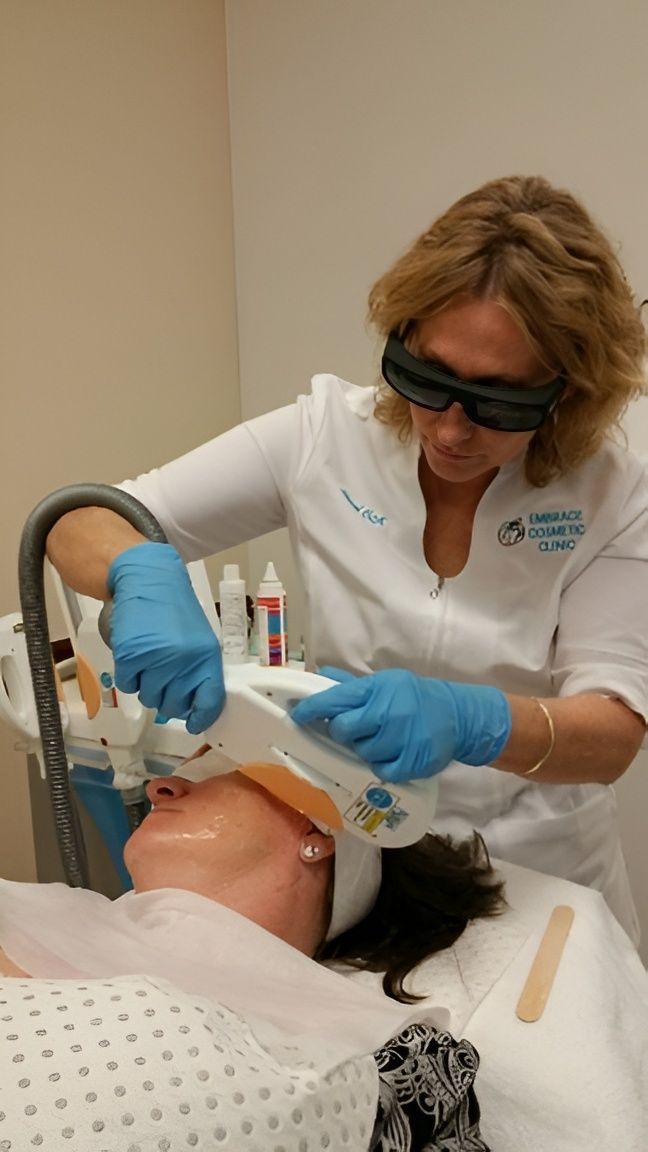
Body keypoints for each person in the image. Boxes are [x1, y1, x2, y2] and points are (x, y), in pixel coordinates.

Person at [46, 174, 648, 943]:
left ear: (569, 392)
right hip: (366, 858)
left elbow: (612, 734)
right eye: (425, 379)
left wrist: (478, 722)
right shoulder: (323, 439)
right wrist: (138, 572)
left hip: (542, 873)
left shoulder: (613, 494)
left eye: (500, 402)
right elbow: (80, 519)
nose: (450, 430)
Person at [0, 757, 503, 1151]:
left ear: (319, 834)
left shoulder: (395, 1067)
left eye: (223, 769)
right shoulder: (34, 912)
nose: (160, 787)